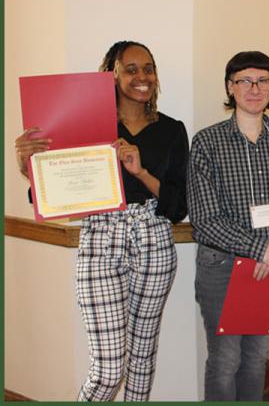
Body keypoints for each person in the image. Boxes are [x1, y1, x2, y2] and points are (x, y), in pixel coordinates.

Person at [14, 41, 189, 401]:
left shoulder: (172, 130)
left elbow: (177, 205)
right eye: (131, 68)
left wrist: (140, 172)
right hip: (101, 239)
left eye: (148, 68)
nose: (142, 77)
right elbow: (56, 196)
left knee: (142, 358)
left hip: (154, 240)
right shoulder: (86, 124)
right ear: (112, 73)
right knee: (109, 370)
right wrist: (28, 168)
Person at [187, 51, 269, 401]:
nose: (255, 88)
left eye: (263, 80)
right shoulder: (207, 142)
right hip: (223, 266)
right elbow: (205, 220)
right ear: (230, 87)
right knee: (225, 360)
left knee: (258, 358)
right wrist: (261, 248)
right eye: (245, 80)